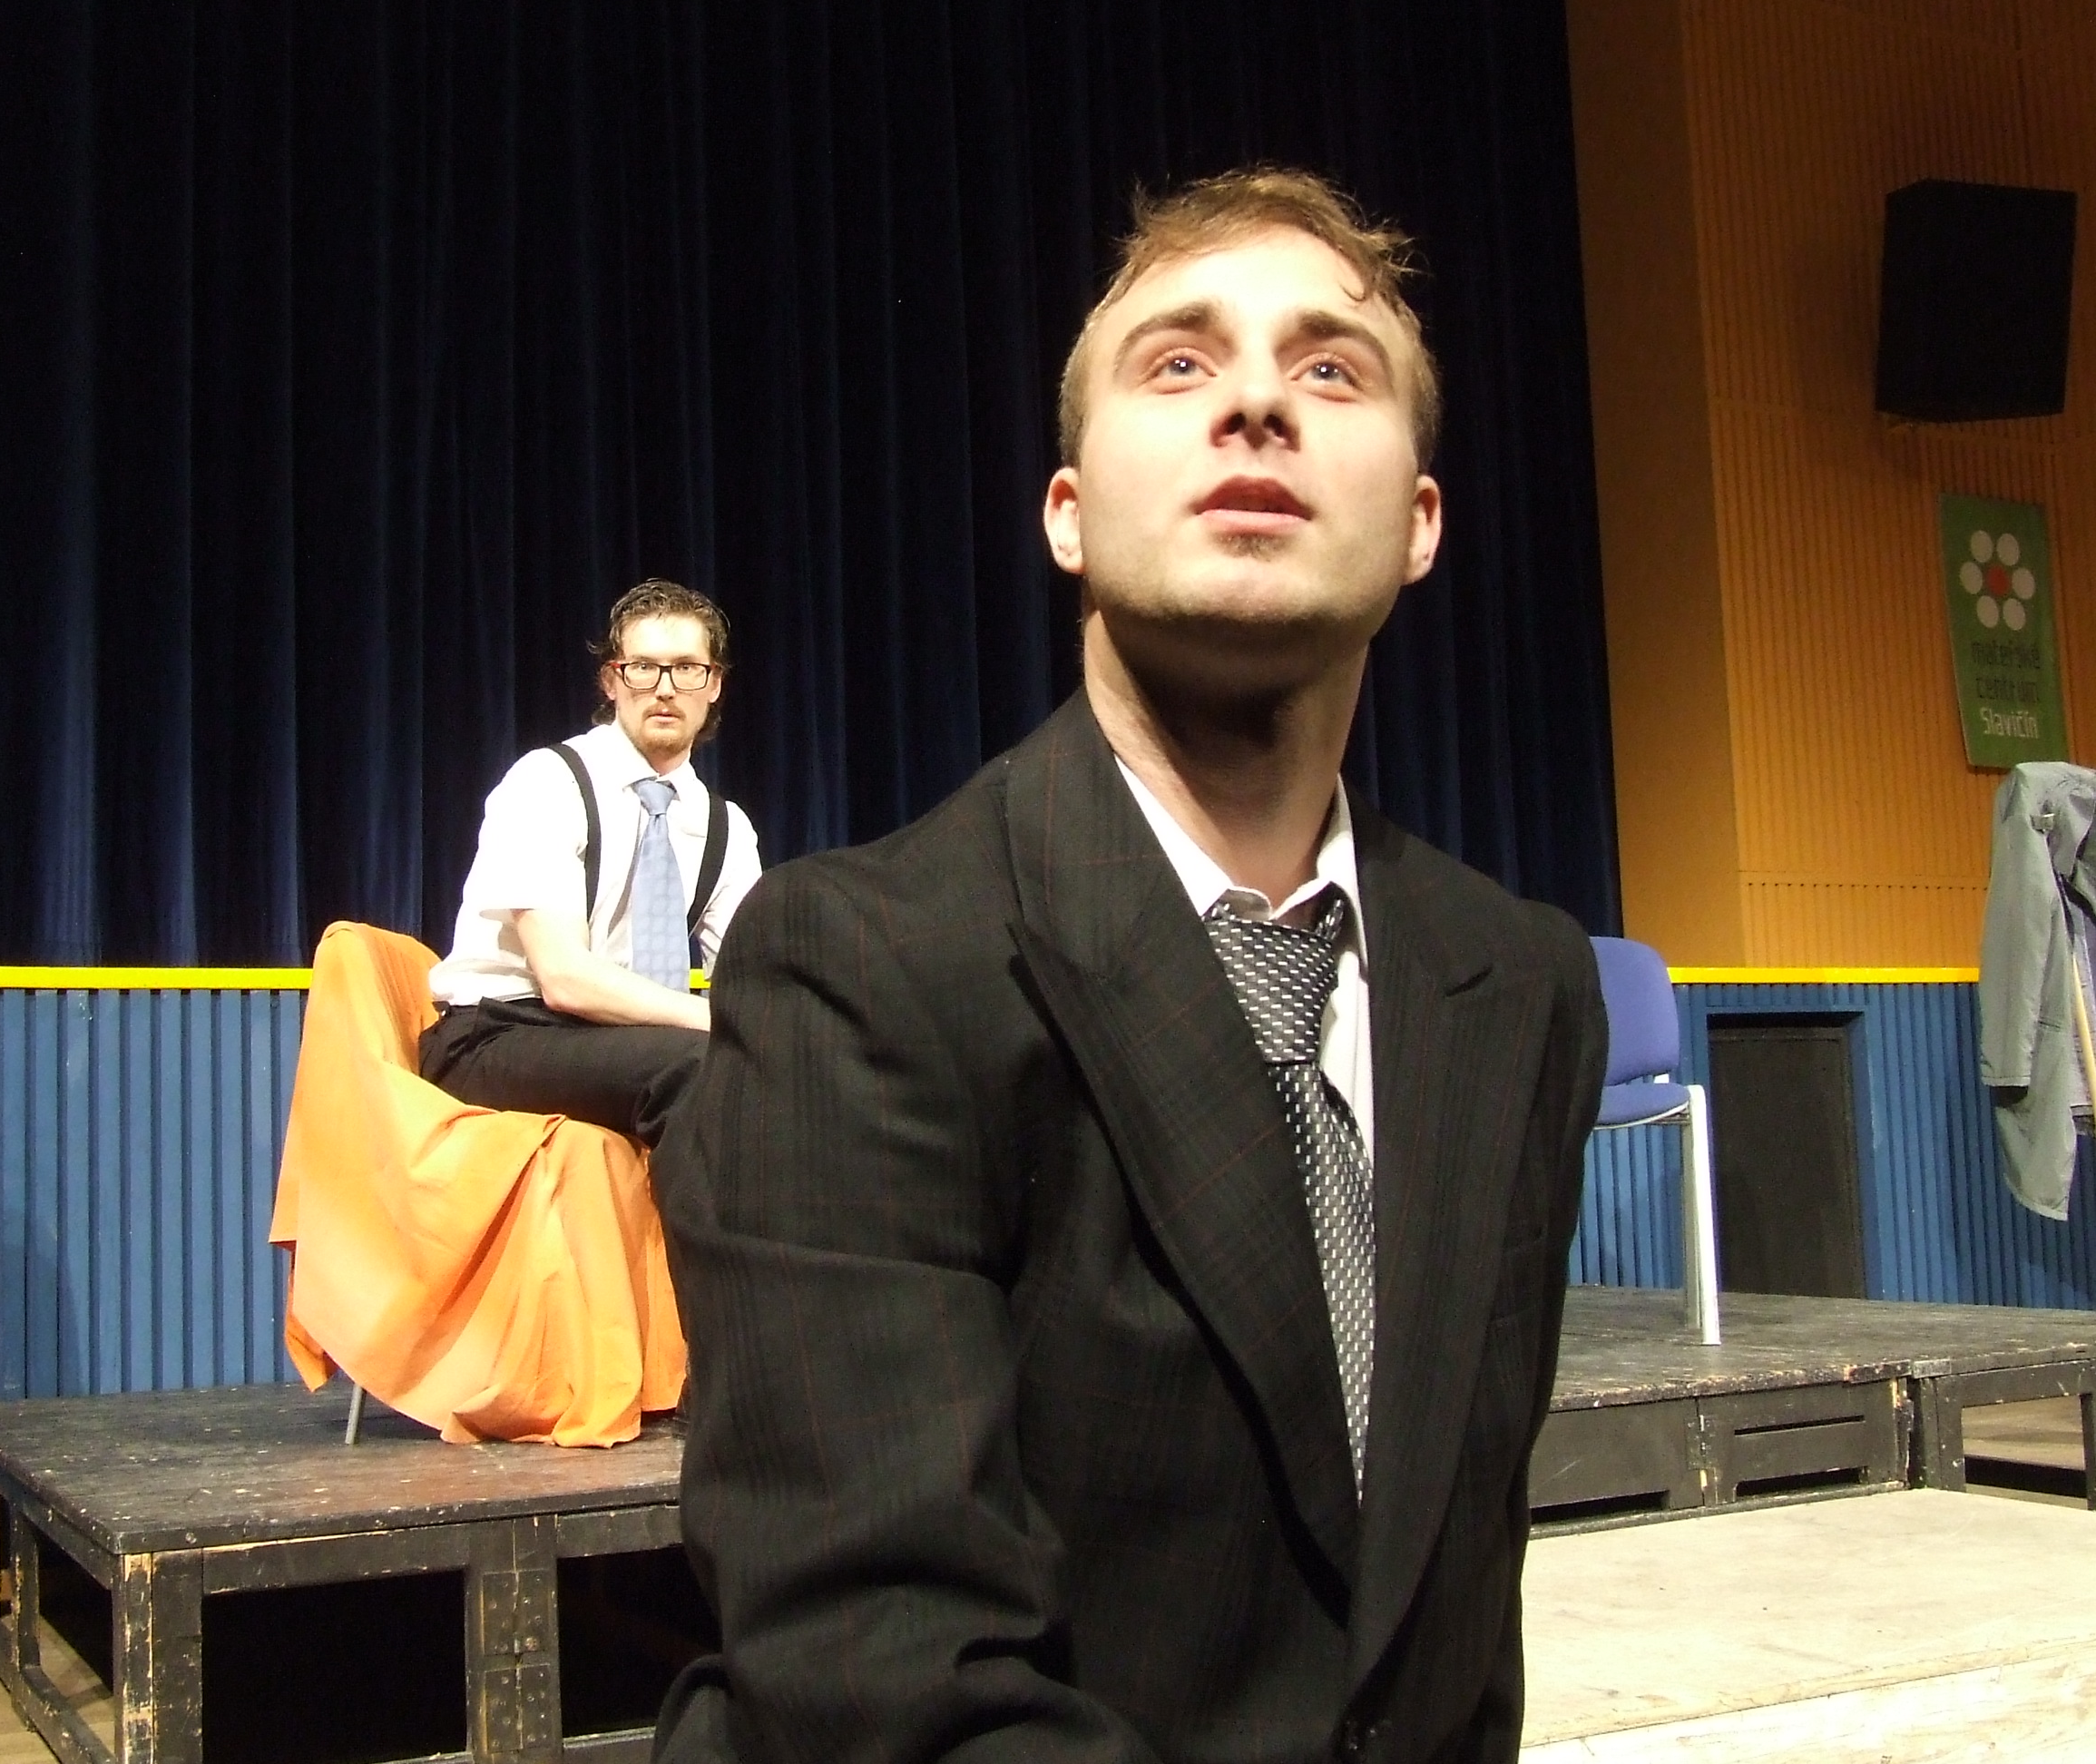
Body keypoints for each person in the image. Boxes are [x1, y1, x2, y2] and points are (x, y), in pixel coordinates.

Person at [651, 169, 1609, 1762]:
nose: (1255, 400)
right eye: (1177, 362)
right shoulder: (853, 965)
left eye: (1331, 368)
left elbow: (1444, 1640)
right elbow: (888, 1678)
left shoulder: (1518, 981)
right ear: (1069, 514)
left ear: (1420, 526)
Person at [419, 579, 761, 1147]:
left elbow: (753, 975)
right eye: (643, 668)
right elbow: (565, 980)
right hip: (498, 1034)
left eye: (686, 668)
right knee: (696, 1064)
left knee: (790, 1071)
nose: (665, 689)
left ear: (714, 684)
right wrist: (719, 1024)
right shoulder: (547, 782)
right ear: (612, 680)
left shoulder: (725, 827)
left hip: (618, 1040)